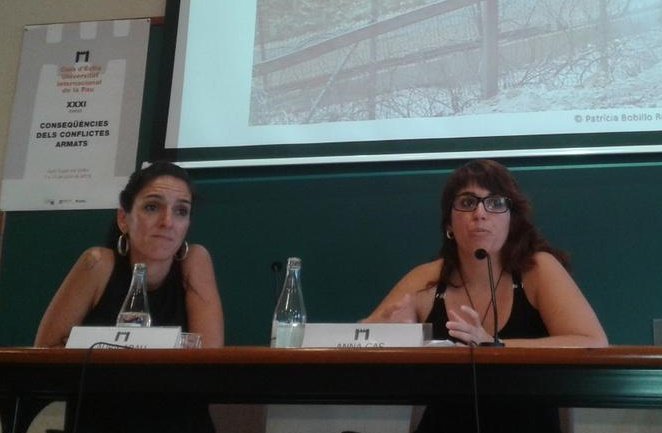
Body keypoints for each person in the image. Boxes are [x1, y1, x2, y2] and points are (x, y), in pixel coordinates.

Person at [363, 159, 608, 433]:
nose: (480, 213)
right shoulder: (427, 278)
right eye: (467, 203)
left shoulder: (538, 269)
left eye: (495, 203)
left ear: (511, 219)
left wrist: (493, 346)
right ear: (449, 224)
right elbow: (355, 339)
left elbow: (593, 342)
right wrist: (397, 335)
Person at [34, 160, 224, 433]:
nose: (168, 222)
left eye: (181, 211)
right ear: (124, 218)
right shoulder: (98, 264)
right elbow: (43, 356)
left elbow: (209, 362)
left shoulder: (195, 261)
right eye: (152, 207)